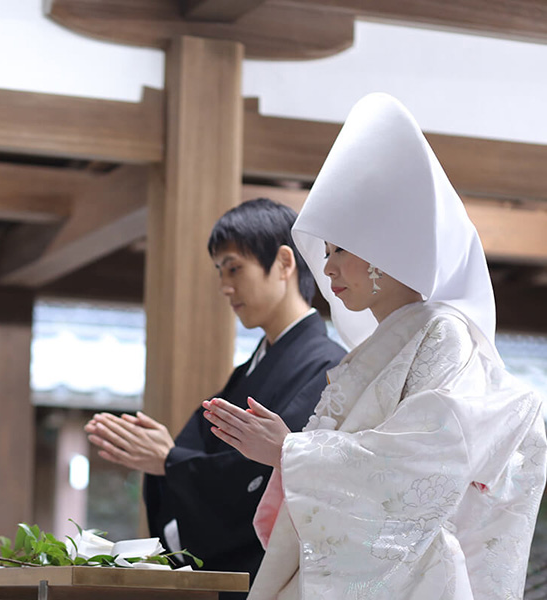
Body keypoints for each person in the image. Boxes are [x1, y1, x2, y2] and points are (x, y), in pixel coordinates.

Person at [203, 93, 547, 600]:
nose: (328, 268)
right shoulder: (385, 342)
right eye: (326, 252)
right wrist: (292, 456)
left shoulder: (444, 334)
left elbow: (428, 460)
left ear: (387, 247)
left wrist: (291, 451)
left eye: (340, 249)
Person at [85, 198, 346, 593]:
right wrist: (169, 461)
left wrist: (172, 463)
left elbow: (268, 474)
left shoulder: (327, 367)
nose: (225, 286)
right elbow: (203, 450)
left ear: (284, 263)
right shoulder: (249, 370)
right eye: (220, 271)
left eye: (234, 268)